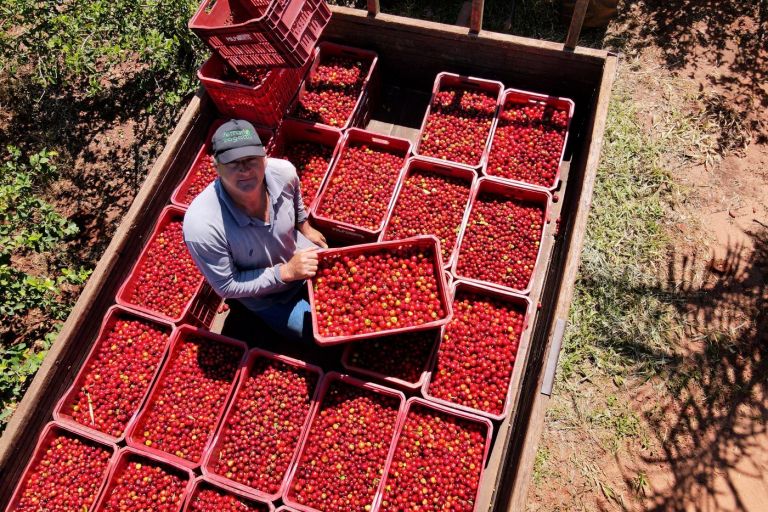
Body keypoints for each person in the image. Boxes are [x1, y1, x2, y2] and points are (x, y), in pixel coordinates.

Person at [183, 119, 327, 342]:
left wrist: (305, 227)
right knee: (315, 334)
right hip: (265, 297)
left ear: (264, 157)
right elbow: (227, 286)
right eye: (233, 163)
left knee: (351, 294)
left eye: (251, 159)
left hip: (297, 255)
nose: (244, 169)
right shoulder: (202, 226)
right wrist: (286, 272)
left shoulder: (285, 173)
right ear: (216, 166)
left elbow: (296, 195)